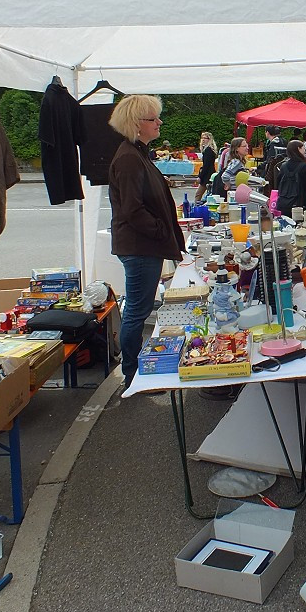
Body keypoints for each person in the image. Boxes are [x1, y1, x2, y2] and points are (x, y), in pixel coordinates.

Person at [108, 95, 185, 390]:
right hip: (140, 247)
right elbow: (133, 209)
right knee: (137, 313)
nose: (159, 122)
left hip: (144, 245)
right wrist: (160, 231)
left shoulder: (137, 153)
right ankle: (132, 373)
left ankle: (135, 370)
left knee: (138, 311)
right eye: (153, 118)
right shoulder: (129, 157)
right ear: (137, 124)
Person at [275, 139, 306, 218]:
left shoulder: (283, 166)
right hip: (301, 205)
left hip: (284, 204)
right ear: (298, 149)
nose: (305, 151)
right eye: (303, 148)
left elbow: (278, 185)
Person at [195, 132, 217, 202]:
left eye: (205, 138)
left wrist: (200, 176)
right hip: (210, 173)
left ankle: (196, 207)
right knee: (209, 193)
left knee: (198, 194)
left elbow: (206, 166)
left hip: (207, 175)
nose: (203, 140)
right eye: (202, 138)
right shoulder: (209, 150)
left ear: (209, 139)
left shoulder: (208, 150)